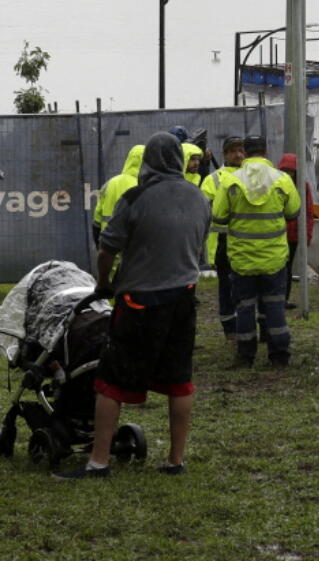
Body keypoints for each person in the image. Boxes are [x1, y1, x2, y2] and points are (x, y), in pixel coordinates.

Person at [56, 133, 211, 479]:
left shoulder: (135, 197)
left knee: (111, 380)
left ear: (148, 162)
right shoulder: (200, 197)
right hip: (184, 298)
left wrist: (103, 282)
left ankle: (98, 462)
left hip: (140, 301)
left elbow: (106, 249)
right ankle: (175, 460)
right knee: (179, 380)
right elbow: (199, 242)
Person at [211, 136, 301, 367]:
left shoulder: (230, 181)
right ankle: (279, 354)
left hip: (242, 258)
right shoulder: (282, 179)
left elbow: (219, 216)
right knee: (274, 306)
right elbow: (293, 212)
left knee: (244, 307)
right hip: (274, 258)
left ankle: (245, 356)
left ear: (246, 152)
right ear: (265, 151)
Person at [200, 136, 244, 340]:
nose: (238, 154)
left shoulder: (251, 174)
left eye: (242, 150)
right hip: (222, 244)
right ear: (225, 154)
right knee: (226, 289)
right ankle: (230, 329)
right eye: (234, 151)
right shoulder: (213, 179)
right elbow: (205, 214)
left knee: (245, 289)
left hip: (247, 243)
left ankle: (244, 325)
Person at [279, 153, 315, 311]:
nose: (288, 174)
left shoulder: (302, 186)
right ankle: (278, 298)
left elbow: (308, 211)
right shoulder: (278, 184)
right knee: (280, 267)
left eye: (291, 171)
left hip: (292, 234)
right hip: (278, 232)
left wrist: (306, 235)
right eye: (286, 171)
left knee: (286, 267)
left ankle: (283, 299)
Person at [92, 144, 144, 244]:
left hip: (109, 250)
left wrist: (101, 248)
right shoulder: (144, 187)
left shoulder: (110, 184)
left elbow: (96, 221)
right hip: (132, 254)